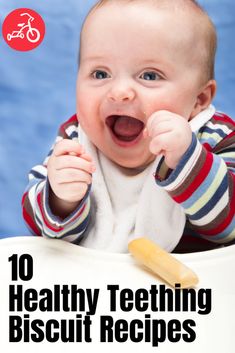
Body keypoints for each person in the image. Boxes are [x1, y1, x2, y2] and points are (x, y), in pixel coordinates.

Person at [22, 0, 235, 253]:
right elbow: (41, 233)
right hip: (101, 288)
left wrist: (188, 160)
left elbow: (229, 227)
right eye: (100, 74)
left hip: (190, 289)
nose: (120, 92)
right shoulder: (77, 138)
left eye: (150, 75)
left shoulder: (215, 137)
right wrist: (61, 200)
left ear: (199, 100)